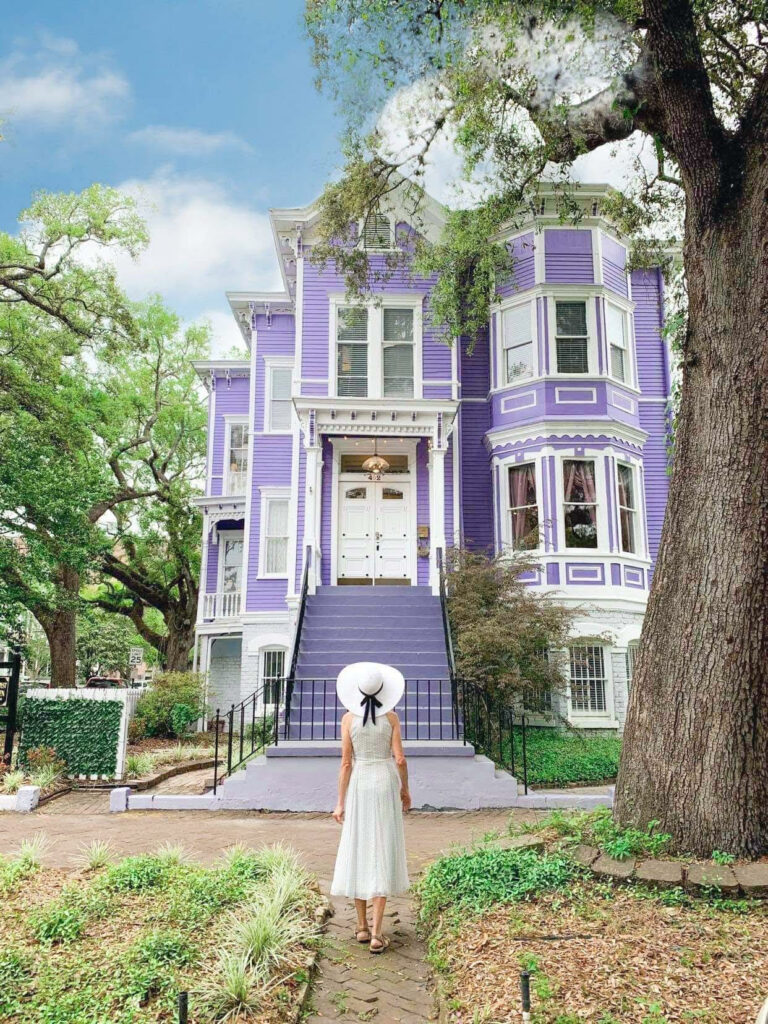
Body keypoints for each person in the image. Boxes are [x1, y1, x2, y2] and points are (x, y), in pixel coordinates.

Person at [330, 662, 411, 954]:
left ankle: (361, 927)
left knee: (359, 847)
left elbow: (346, 764)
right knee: (381, 848)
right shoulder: (391, 717)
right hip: (384, 781)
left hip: (360, 783)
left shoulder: (348, 720)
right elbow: (400, 759)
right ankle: (378, 933)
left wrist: (340, 802)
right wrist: (405, 791)